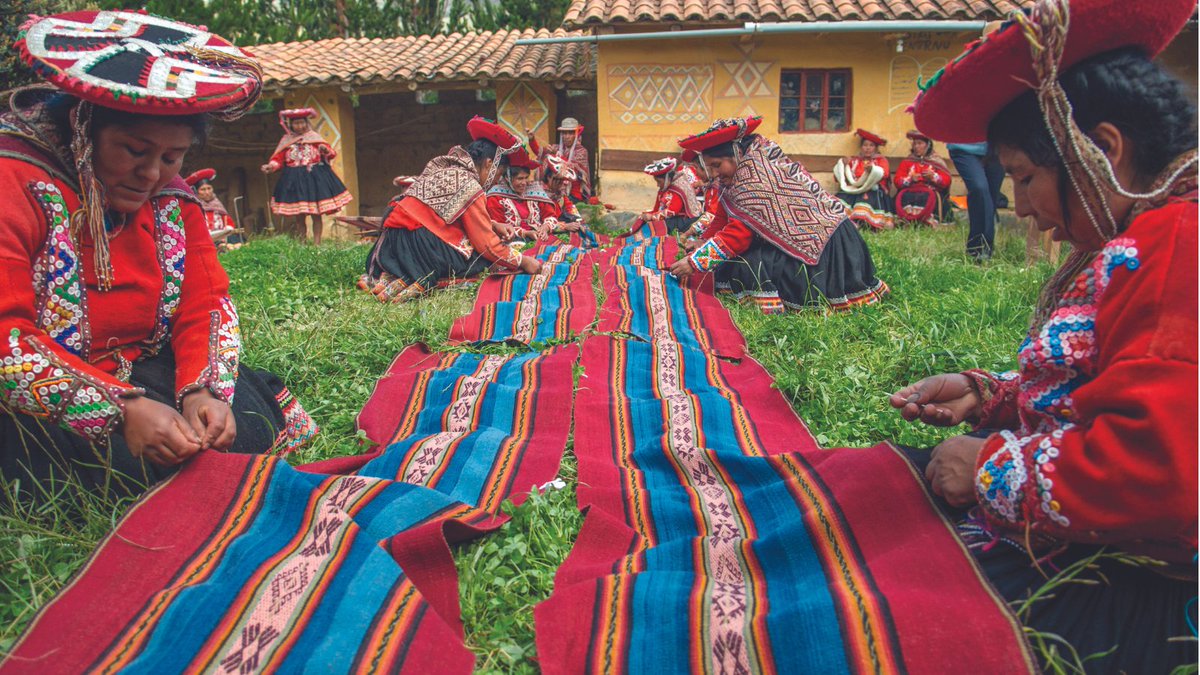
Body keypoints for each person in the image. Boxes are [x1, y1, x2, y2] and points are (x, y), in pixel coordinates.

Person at [895, 0, 1197, 670]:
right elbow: (1115, 382)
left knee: (886, 592)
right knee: (883, 489)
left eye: (1026, 177)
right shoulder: (1150, 235)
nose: (1021, 205)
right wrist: (991, 397)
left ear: (1104, 150)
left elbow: (1159, 475)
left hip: (1149, 593)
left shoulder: (1178, 243)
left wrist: (988, 466)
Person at [0, 10, 317, 503]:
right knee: (54, 456)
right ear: (84, 129)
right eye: (132, 150)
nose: (152, 174)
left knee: (239, 422)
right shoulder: (14, 184)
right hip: (38, 396)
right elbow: (7, 339)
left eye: (172, 158)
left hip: (141, 369)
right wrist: (119, 410)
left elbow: (206, 302)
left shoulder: (174, 199)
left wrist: (201, 391)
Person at [667, 117, 888, 313]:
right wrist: (704, 241)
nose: (713, 173)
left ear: (737, 155)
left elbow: (740, 234)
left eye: (717, 165)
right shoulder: (737, 176)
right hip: (817, 237)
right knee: (735, 259)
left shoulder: (757, 178)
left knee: (752, 263)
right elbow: (724, 216)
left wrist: (697, 262)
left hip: (826, 245)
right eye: (709, 168)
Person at [360, 116, 543, 302]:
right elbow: (486, 244)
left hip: (392, 241)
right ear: (489, 163)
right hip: (417, 243)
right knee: (479, 259)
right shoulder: (469, 185)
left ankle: (396, 271)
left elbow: (444, 212)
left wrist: (493, 224)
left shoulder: (444, 167)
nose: (497, 180)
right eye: (500, 173)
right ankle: (418, 272)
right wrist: (523, 261)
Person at [260, 108, 352, 245]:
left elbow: (331, 153)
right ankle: (303, 244)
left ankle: (317, 244)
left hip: (314, 180)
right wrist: (270, 166)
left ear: (306, 123)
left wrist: (325, 150)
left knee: (316, 214)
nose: (300, 126)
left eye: (302, 123)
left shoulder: (315, 138)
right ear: (291, 125)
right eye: (296, 123)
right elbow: (278, 160)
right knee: (299, 216)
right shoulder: (286, 141)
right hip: (293, 181)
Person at [947, 142, 1006, 260]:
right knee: (980, 189)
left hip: (997, 148)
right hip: (964, 147)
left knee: (991, 197)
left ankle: (984, 249)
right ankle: (978, 249)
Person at [834, 129, 894, 231]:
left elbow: (884, 173)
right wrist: (844, 165)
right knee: (839, 199)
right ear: (861, 147)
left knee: (865, 198)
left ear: (875, 148)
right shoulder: (854, 161)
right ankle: (848, 222)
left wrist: (872, 170)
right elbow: (838, 178)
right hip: (854, 189)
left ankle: (861, 222)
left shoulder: (881, 160)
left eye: (871, 146)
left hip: (873, 189)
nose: (868, 148)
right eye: (865, 145)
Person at [894, 130, 953, 225]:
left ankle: (928, 222)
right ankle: (906, 221)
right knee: (906, 196)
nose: (916, 146)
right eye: (914, 144)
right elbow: (897, 180)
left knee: (926, 196)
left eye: (920, 143)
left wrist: (933, 177)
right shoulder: (907, 162)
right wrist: (910, 179)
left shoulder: (936, 162)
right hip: (910, 190)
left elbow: (946, 181)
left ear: (928, 145)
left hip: (930, 192)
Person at [527, 118, 590, 203]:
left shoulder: (582, 151)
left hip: (573, 194)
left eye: (570, 133)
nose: (566, 136)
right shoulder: (556, 147)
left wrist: (556, 154)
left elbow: (571, 170)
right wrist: (532, 140)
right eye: (564, 133)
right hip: (555, 191)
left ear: (576, 135)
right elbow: (540, 153)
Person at [635, 157, 702, 235]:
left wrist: (651, 217)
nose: (657, 185)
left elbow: (672, 211)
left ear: (667, 178)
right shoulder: (666, 188)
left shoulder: (678, 187)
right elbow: (657, 208)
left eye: (659, 182)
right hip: (675, 218)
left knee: (662, 225)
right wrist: (647, 215)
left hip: (687, 220)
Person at [184, 168, 241, 249]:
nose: (207, 192)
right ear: (196, 191)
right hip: (203, 240)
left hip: (222, 238)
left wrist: (228, 228)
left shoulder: (218, 205)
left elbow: (228, 222)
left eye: (209, 188)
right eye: (203, 189)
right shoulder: (194, 207)